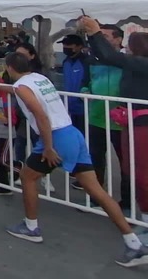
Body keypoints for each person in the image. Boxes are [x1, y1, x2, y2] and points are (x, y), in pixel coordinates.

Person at [0, 50, 148, 268]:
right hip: (72, 134)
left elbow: (40, 115)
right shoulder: (38, 79)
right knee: (97, 191)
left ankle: (31, 227)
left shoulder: (22, 87)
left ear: (9, 68)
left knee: (27, 177)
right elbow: (22, 90)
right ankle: (134, 243)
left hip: (55, 137)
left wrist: (49, 147)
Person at [81, 16, 148, 229]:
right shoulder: (134, 65)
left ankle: (138, 215)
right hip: (120, 122)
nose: (127, 48)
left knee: (139, 172)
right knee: (130, 168)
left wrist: (94, 31)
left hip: (141, 127)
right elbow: (103, 58)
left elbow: (109, 56)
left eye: (131, 44)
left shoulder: (141, 64)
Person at [82, 24, 130, 207]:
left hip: (122, 121)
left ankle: (126, 202)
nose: (101, 39)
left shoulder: (128, 60)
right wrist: (84, 91)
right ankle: (96, 196)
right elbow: (85, 82)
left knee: (126, 163)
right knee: (95, 160)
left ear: (118, 39)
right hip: (96, 118)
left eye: (106, 36)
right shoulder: (91, 60)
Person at [56, 34, 90, 130]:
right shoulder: (66, 62)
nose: (65, 47)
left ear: (79, 46)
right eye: (64, 45)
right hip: (68, 106)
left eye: (69, 45)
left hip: (83, 108)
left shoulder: (86, 62)